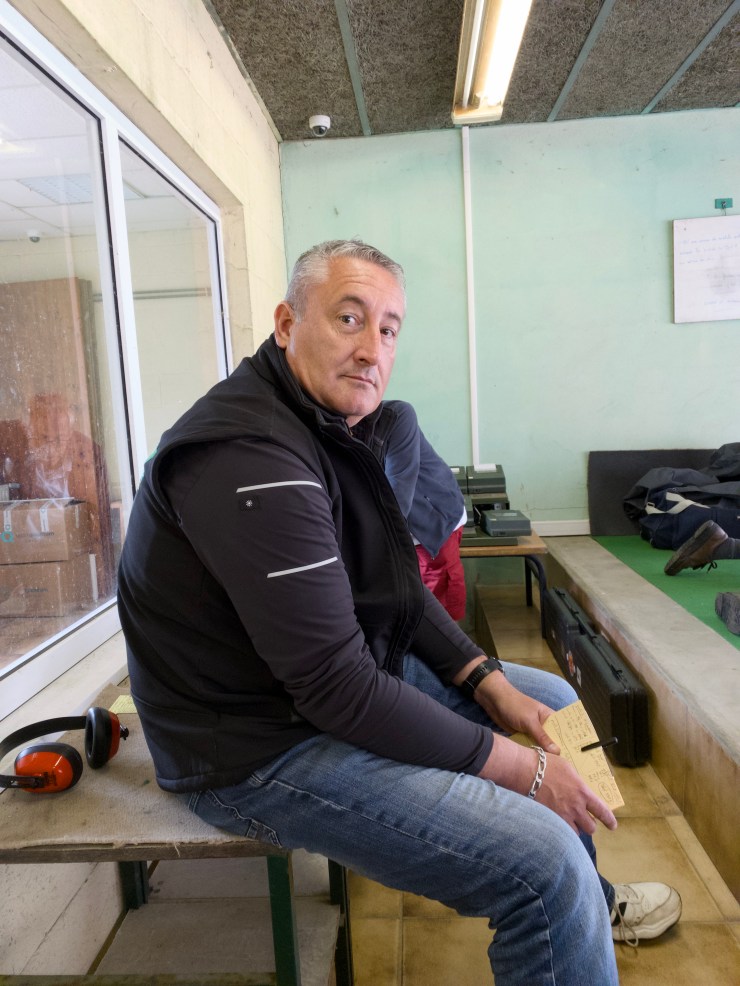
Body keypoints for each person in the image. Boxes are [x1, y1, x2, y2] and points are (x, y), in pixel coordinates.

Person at [118, 239, 681, 984]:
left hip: (303, 695)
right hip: (250, 748)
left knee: (553, 700)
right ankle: (565, 901)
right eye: (348, 319)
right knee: (542, 866)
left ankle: (587, 908)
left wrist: (486, 679)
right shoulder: (250, 456)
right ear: (286, 324)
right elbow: (338, 690)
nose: (371, 349)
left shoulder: (332, 425)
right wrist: (522, 770)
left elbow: (397, 592)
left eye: (388, 329)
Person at [380, 399, 467, 620]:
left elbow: (399, 488)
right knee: (412, 598)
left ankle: (451, 640)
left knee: (437, 602)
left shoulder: (396, 415)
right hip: (400, 524)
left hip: (431, 523)